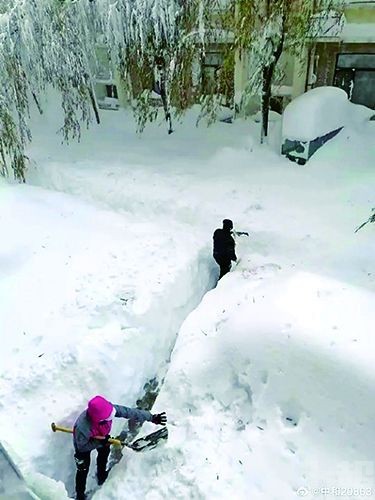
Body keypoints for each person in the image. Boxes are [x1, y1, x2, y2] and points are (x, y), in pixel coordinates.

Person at [73, 395, 167, 500]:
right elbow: (82, 447)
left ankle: (101, 475)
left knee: (104, 454)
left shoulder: (108, 409)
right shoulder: (82, 428)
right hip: (84, 445)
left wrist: (151, 417)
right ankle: (80, 494)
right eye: (108, 418)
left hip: (102, 437)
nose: (111, 417)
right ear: (99, 420)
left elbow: (130, 412)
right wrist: (99, 442)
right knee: (83, 469)